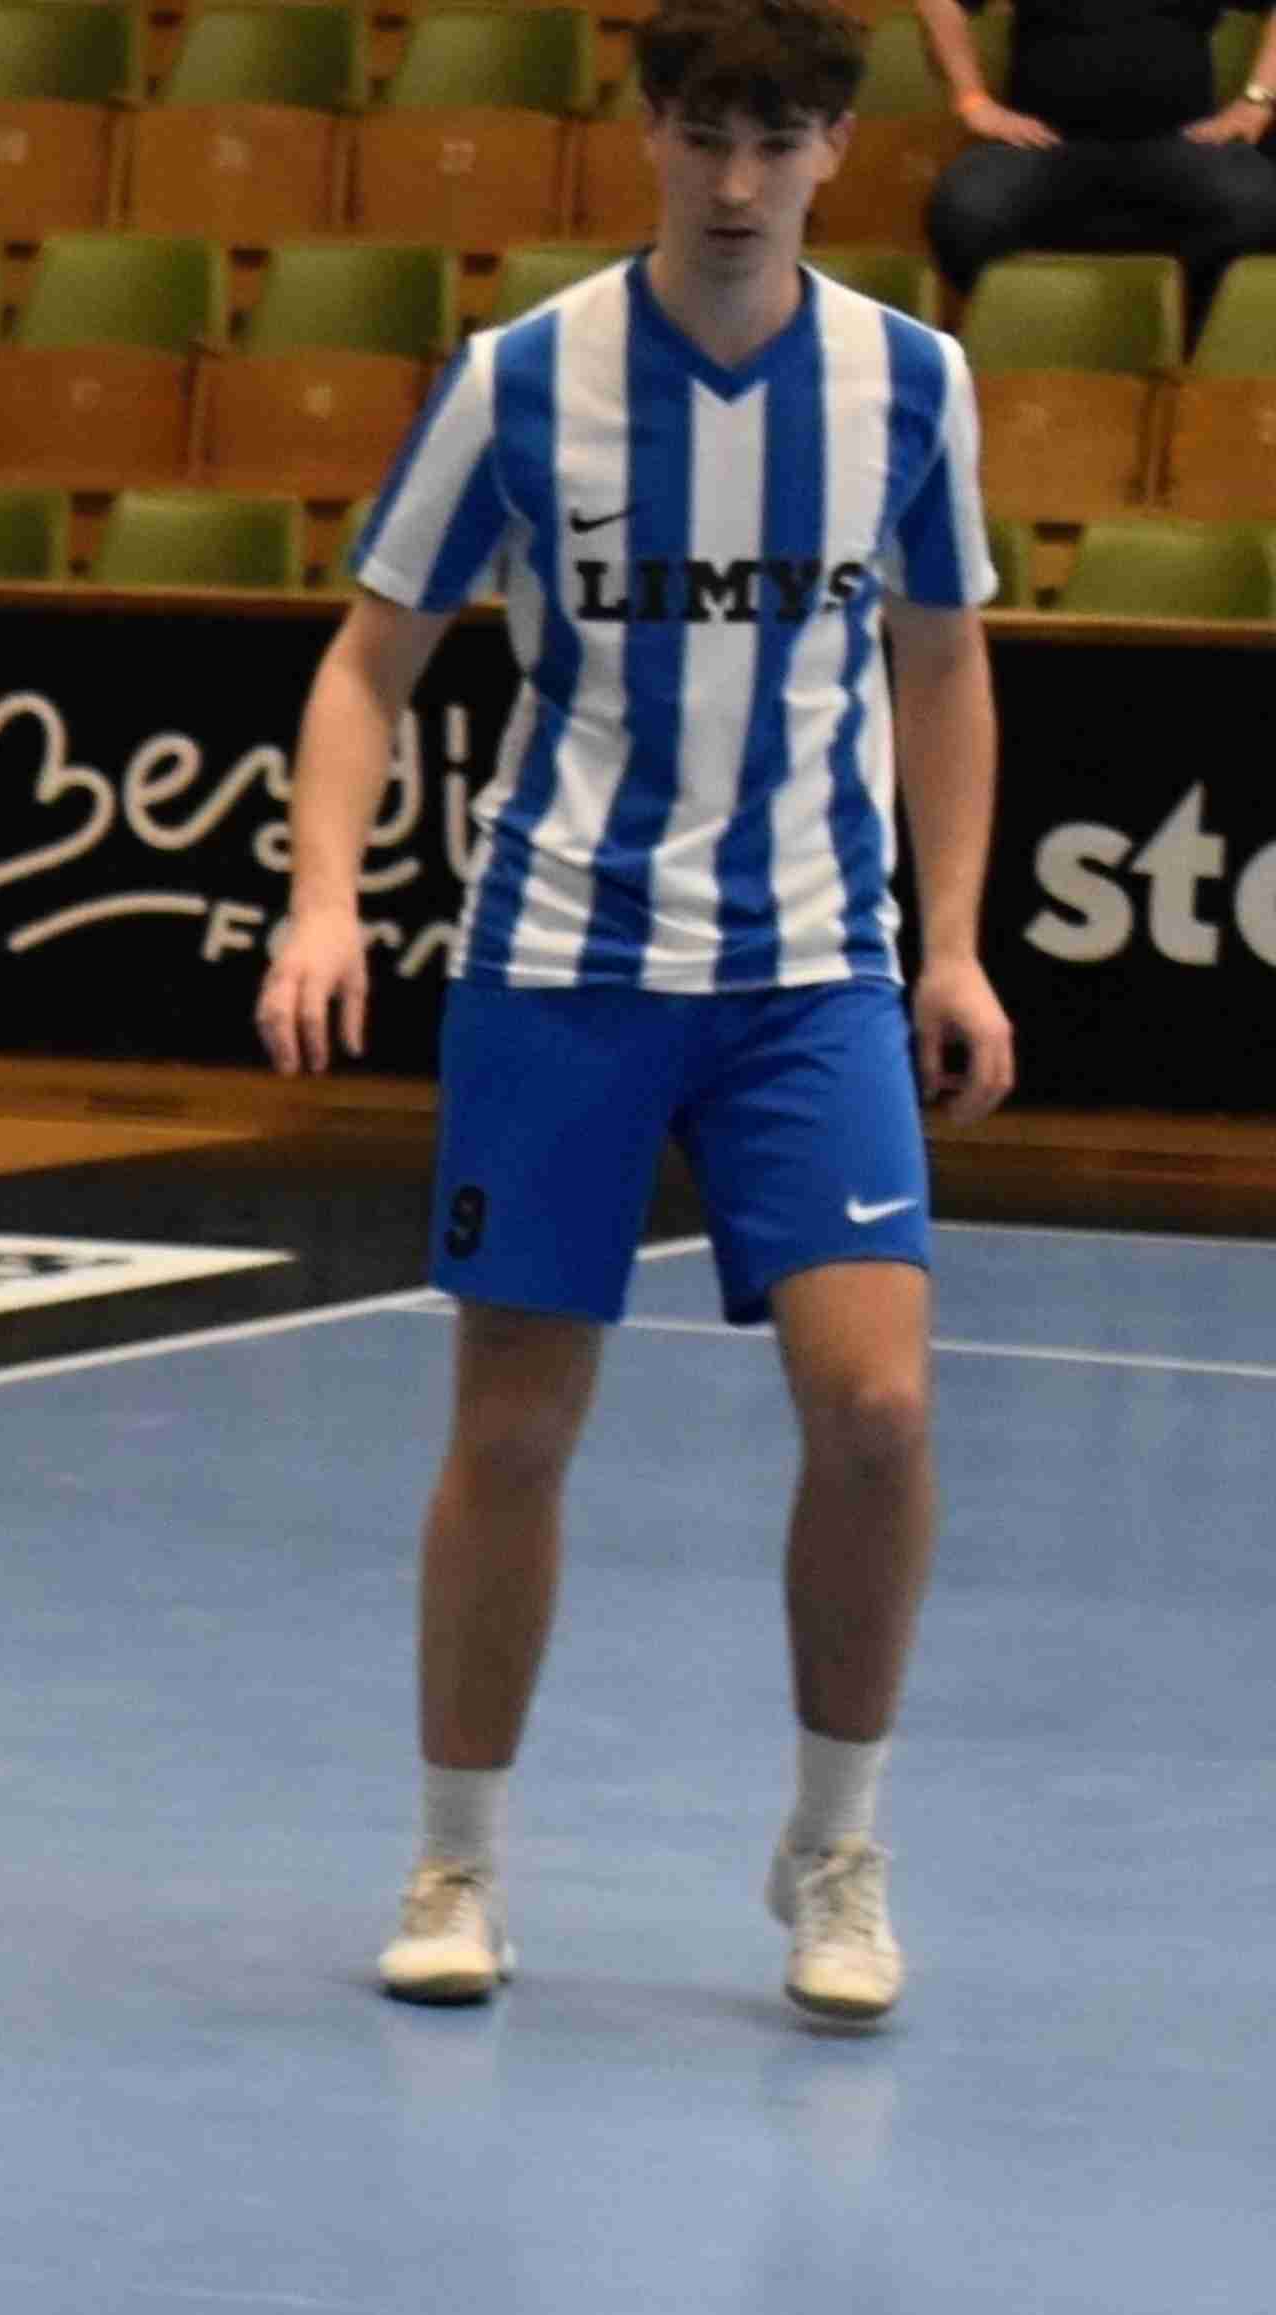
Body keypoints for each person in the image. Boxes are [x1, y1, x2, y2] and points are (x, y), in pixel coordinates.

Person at [263, 0, 1015, 2031]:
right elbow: (367, 661)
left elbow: (944, 663)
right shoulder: (522, 377)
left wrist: (951, 945)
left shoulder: (909, 382)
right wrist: (324, 900)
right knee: (513, 1429)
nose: (739, 181)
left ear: (838, 148)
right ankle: (457, 1858)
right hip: (562, 968)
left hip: (810, 976)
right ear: (651, 135)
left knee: (879, 1411)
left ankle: (834, 1848)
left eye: (779, 140)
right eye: (704, 135)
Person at [913, 0, 1276, 311]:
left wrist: (1257, 100)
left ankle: (1169, 318)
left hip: (1183, 144)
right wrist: (973, 100)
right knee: (963, 209)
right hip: (1042, 146)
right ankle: (1047, 320)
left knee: (1261, 204)